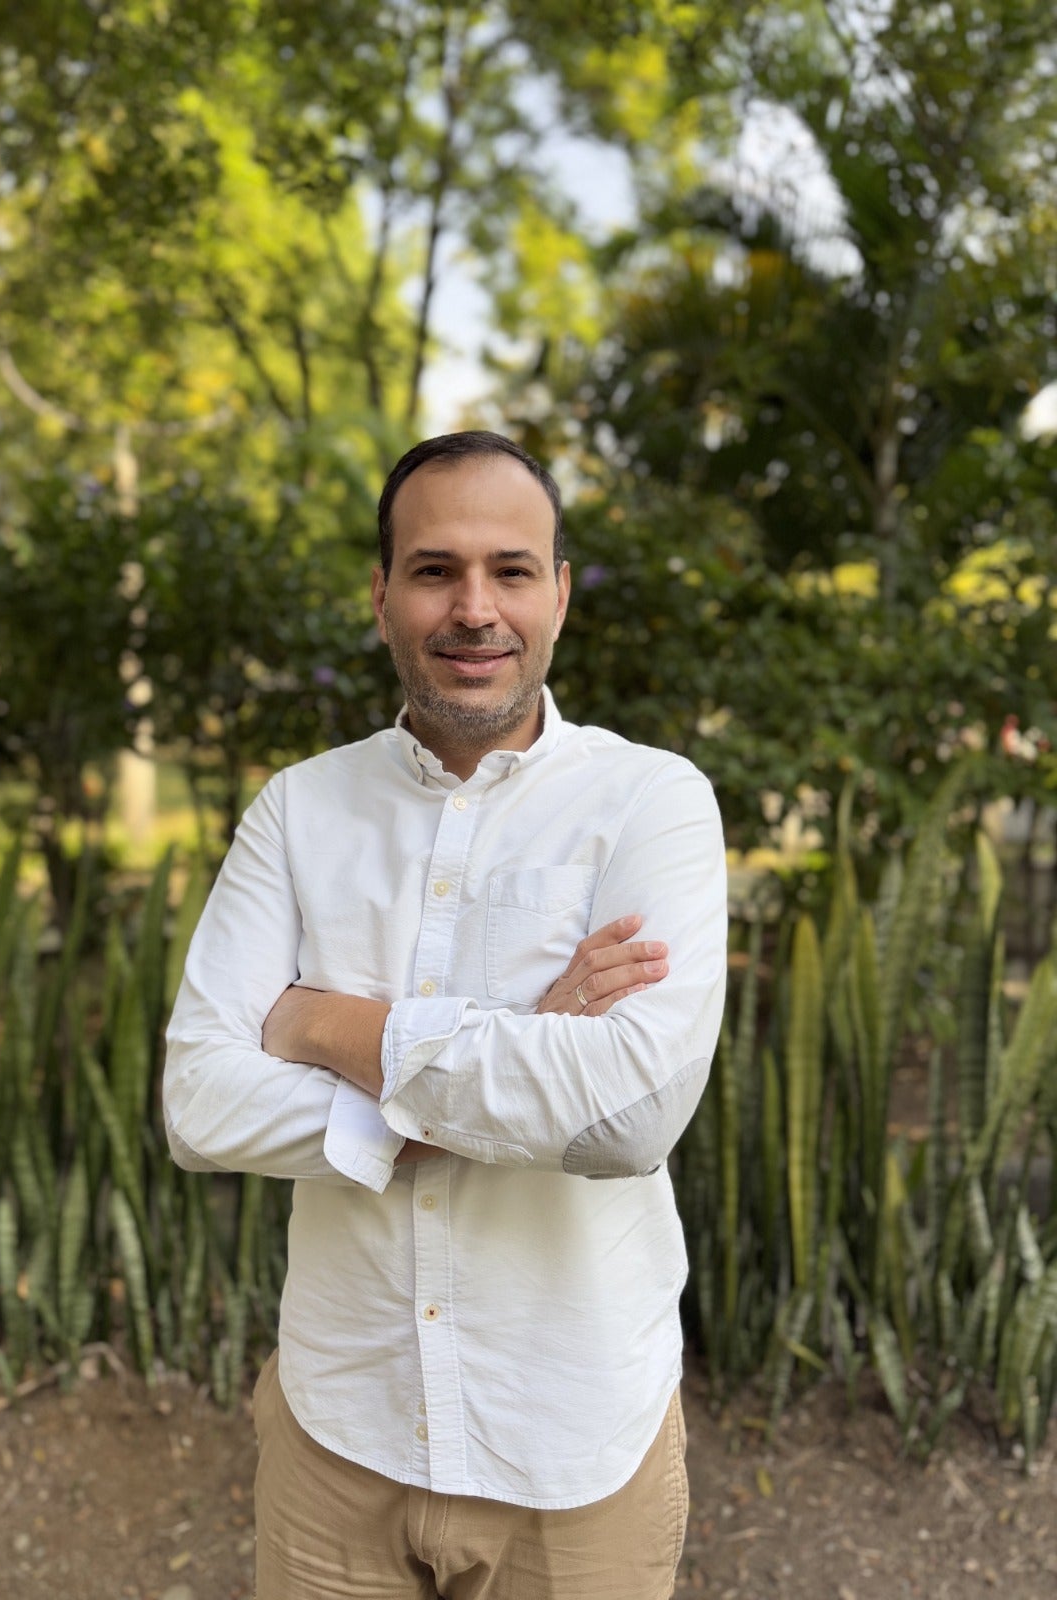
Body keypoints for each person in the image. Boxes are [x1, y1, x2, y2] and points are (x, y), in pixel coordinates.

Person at [163, 430, 728, 1599]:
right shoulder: (298, 810)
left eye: (510, 570)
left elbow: (627, 1119)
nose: (476, 608)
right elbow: (199, 1103)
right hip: (339, 1429)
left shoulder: (651, 801)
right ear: (381, 595)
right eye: (435, 570)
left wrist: (321, 1025)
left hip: (573, 1445)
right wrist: (526, 1043)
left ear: (559, 594)